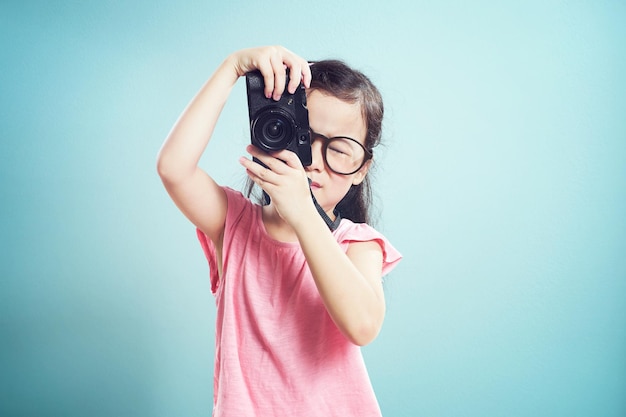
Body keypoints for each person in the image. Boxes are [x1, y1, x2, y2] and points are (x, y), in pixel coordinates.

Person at [157, 45, 402, 417]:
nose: (315, 163)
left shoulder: (356, 245)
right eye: (303, 138)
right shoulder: (234, 226)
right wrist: (232, 67)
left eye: (339, 150)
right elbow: (174, 168)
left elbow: (363, 326)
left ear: (361, 169)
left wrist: (305, 215)